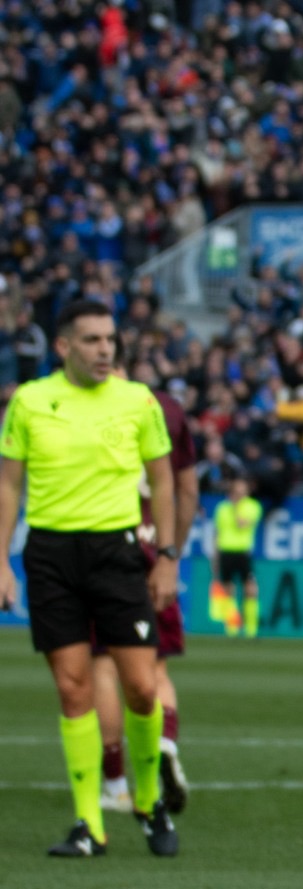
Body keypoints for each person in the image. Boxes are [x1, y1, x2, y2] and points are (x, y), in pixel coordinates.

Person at [0, 299, 180, 856]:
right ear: (63, 347)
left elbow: (164, 481)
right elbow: (8, 484)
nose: (106, 350)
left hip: (118, 552)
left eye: (110, 339)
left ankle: (147, 801)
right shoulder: (30, 401)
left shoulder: (138, 401)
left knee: (142, 687)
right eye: (93, 340)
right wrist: (1, 559)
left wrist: (168, 556)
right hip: (50, 555)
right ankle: (89, 824)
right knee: (73, 687)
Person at [96, 366, 200, 816]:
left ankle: (116, 784)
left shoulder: (90, 405)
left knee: (104, 666)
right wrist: (171, 553)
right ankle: (166, 744)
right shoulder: (168, 409)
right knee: (155, 667)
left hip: (106, 543)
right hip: (155, 547)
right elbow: (187, 490)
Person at [211, 475, 263, 637]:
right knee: (228, 589)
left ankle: (251, 629)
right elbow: (217, 534)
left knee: (250, 588)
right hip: (226, 551)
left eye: (242, 491)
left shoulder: (253, 507)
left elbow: (242, 524)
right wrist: (215, 558)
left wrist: (235, 508)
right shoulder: (222, 508)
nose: (239, 494)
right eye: (236, 491)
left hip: (243, 552)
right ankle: (232, 627)